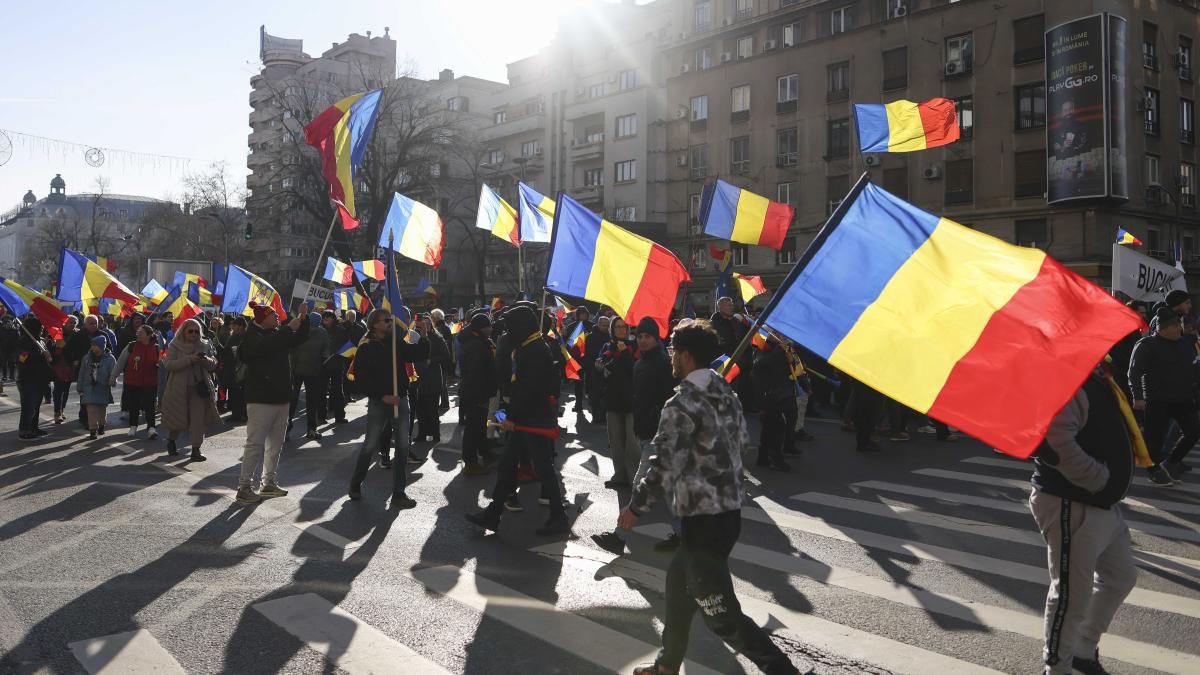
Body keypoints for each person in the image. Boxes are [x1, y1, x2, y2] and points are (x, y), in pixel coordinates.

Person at [617, 319, 802, 675]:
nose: (670, 355)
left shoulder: (683, 402)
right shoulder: (724, 391)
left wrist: (636, 507)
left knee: (721, 615)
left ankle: (783, 671)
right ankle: (666, 666)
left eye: (673, 350)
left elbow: (663, 461)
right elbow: (743, 442)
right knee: (677, 589)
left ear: (685, 355)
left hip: (704, 519)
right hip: (728, 511)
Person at [1030, 369, 1137, 675]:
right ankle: (1057, 668)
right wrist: (1100, 479)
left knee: (1120, 577)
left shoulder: (1093, 374)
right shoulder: (1070, 379)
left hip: (1099, 503)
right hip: (1072, 503)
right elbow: (1056, 442)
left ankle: (1081, 650)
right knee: (1070, 596)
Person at [465, 305, 569, 536]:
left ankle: (558, 516)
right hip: (527, 417)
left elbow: (528, 389)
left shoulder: (534, 350)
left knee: (543, 468)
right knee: (507, 465)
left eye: (511, 325)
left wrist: (512, 417)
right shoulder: (529, 346)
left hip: (533, 419)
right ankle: (493, 513)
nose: (508, 331)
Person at [346, 307, 429, 507]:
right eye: (386, 321)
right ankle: (356, 484)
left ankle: (399, 493)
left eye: (391, 321)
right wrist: (382, 396)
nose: (390, 324)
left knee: (402, 446)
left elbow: (416, 353)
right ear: (375, 324)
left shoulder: (396, 344)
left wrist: (425, 336)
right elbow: (361, 380)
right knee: (370, 444)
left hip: (400, 399)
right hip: (379, 402)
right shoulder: (366, 347)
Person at [236, 304, 309, 505]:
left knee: (275, 444)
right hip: (261, 397)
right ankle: (244, 487)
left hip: (280, 396)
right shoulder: (252, 336)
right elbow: (263, 347)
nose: (278, 317)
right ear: (263, 318)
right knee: (255, 444)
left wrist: (303, 318)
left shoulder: (276, 333)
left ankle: (268, 482)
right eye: (273, 314)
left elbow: (299, 338)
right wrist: (288, 328)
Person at [1127, 307, 1200, 485]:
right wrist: (1138, 397)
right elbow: (1134, 373)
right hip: (1156, 400)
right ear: (1162, 328)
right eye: (1174, 326)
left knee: (1194, 431)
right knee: (1154, 439)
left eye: (1178, 325)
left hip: (1182, 398)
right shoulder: (1146, 345)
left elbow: (1193, 368)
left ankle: (1171, 462)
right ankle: (1154, 471)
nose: (1178, 329)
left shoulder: (1184, 344)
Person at [160, 318, 220, 461]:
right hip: (178, 388)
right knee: (177, 419)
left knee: (198, 421)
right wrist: (189, 359)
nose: (194, 334)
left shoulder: (204, 345)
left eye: (196, 331)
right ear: (184, 332)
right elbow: (168, 365)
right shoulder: (175, 345)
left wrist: (205, 360)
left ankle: (196, 450)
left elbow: (213, 363)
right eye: (190, 331)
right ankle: (171, 441)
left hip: (199, 388)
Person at [598, 317, 639, 488]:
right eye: (618, 327)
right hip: (613, 399)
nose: (621, 330)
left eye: (624, 327)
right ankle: (620, 475)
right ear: (612, 330)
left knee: (631, 443)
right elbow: (605, 369)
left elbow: (635, 370)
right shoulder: (607, 347)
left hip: (631, 401)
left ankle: (633, 478)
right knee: (616, 441)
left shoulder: (635, 346)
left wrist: (624, 354)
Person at [458, 313, 497, 474]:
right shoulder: (475, 345)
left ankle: (484, 452)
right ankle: (470, 462)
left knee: (481, 425)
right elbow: (476, 374)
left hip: (478, 392)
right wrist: (481, 395)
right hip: (475, 393)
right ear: (480, 328)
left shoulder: (482, 342)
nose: (491, 328)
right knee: (473, 428)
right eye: (488, 326)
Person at [751, 333, 794, 471]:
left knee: (769, 427)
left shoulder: (778, 349)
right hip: (767, 394)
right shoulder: (763, 347)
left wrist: (790, 360)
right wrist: (779, 350)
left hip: (778, 393)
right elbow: (761, 364)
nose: (783, 339)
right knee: (776, 426)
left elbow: (783, 370)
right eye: (779, 335)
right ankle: (775, 458)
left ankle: (763, 457)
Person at [112, 324, 161, 438]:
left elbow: (164, 363)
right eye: (137, 332)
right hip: (132, 382)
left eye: (141, 332)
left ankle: (151, 428)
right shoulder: (131, 346)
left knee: (150, 406)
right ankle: (133, 426)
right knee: (133, 405)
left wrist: (160, 365)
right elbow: (121, 362)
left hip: (150, 382)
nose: (138, 334)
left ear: (149, 335)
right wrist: (113, 376)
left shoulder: (157, 348)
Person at [288, 312, 330, 440]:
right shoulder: (322, 332)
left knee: (293, 401)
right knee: (311, 402)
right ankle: (311, 429)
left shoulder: (300, 331)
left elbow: (291, 351)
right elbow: (326, 353)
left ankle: (286, 430)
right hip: (311, 372)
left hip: (298, 371)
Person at [16, 317, 53, 441]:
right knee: (28, 405)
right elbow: (21, 359)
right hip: (27, 379)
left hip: (39, 378)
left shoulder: (39, 341)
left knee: (36, 405)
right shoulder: (24, 341)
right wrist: (40, 354)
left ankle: (34, 428)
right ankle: (24, 430)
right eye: (40, 327)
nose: (42, 329)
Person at [65, 315, 101, 428]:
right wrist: (73, 360)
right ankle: (85, 418)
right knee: (85, 395)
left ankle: (96, 418)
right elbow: (66, 350)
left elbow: (110, 349)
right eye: (91, 323)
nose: (94, 325)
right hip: (84, 370)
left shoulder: (102, 335)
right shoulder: (78, 335)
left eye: (95, 323)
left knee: (97, 394)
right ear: (85, 324)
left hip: (99, 369)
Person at [77, 335, 116, 439]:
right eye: (92, 345)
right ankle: (93, 430)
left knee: (101, 409)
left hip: (103, 387)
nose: (92, 347)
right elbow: (81, 373)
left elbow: (114, 372)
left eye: (95, 345)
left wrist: (112, 380)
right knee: (91, 409)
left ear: (101, 346)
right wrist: (79, 387)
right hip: (89, 387)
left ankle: (102, 425)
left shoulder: (110, 358)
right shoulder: (86, 358)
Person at [321, 310, 349, 424]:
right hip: (322, 365)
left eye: (328, 317)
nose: (326, 318)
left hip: (337, 365)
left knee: (337, 391)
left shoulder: (341, 331)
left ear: (333, 319)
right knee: (321, 391)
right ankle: (322, 416)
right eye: (324, 317)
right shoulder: (319, 330)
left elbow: (347, 346)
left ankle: (339, 416)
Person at [583, 315, 610, 422]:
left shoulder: (609, 336)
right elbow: (588, 353)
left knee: (604, 393)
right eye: (603, 325)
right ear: (598, 324)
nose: (606, 327)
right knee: (595, 393)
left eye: (607, 326)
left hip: (606, 369)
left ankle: (603, 415)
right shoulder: (591, 336)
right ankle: (596, 415)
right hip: (593, 369)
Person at [566, 306, 593, 412]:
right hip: (577, 358)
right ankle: (578, 403)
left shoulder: (592, 326)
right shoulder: (571, 327)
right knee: (578, 383)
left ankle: (591, 401)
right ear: (578, 315)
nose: (584, 316)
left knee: (590, 381)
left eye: (585, 314)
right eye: (581, 314)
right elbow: (568, 343)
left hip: (589, 357)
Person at [431, 308, 456, 411]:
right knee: (443, 382)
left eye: (432, 317)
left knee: (442, 382)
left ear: (436, 318)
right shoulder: (444, 327)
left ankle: (445, 403)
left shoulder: (440, 328)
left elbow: (444, 346)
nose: (431, 319)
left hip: (442, 359)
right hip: (445, 358)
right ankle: (444, 402)